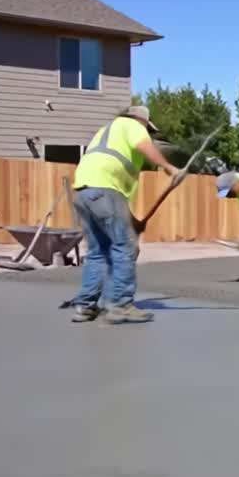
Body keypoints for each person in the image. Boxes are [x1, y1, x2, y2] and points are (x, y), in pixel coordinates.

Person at [69, 105, 180, 324]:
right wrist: (168, 167)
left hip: (84, 192)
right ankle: (120, 306)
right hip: (105, 190)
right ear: (142, 121)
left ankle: (85, 306)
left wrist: (135, 221)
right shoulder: (132, 125)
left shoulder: (106, 132)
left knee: (98, 251)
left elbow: (111, 202)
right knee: (126, 246)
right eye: (147, 129)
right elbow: (143, 145)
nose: (147, 133)